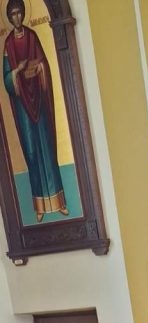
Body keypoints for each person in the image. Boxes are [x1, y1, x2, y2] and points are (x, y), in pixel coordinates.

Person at [3, 0, 69, 221]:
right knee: (31, 152)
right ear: (9, 18)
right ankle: (39, 206)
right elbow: (6, 79)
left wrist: (38, 68)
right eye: (12, 14)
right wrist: (17, 71)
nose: (17, 18)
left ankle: (59, 202)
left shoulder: (32, 36)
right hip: (22, 105)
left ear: (23, 14)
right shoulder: (8, 44)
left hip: (39, 101)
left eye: (19, 13)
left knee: (47, 147)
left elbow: (44, 63)